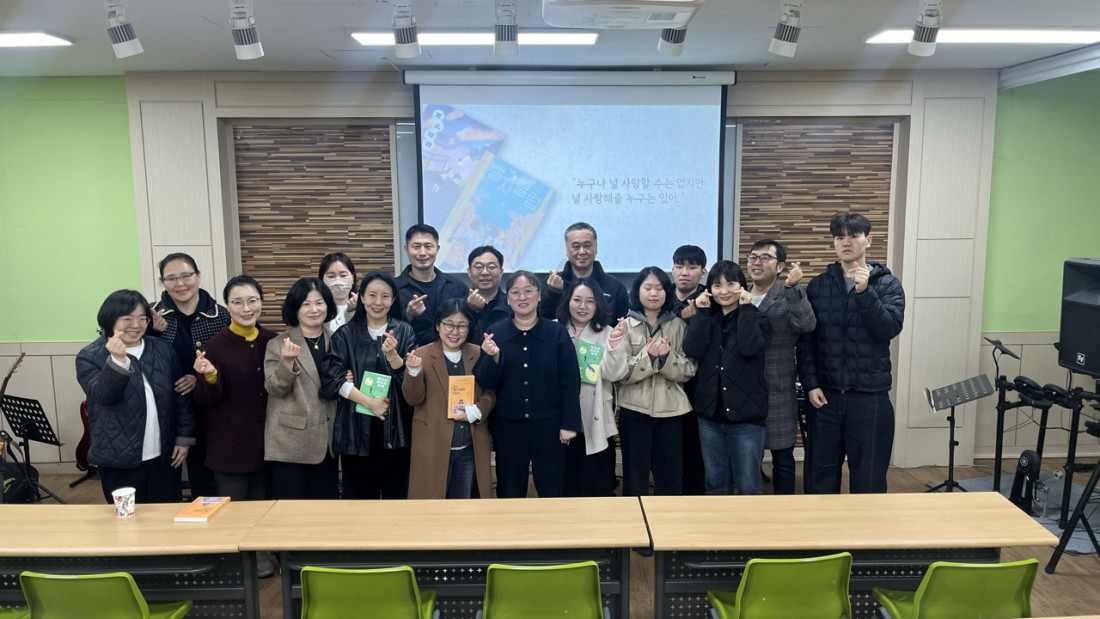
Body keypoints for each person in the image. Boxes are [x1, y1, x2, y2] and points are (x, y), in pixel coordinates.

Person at [802, 212, 905, 494]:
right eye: (839, 237)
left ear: (868, 240)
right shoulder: (818, 286)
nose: (846, 242)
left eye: (853, 236)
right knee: (819, 477)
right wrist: (811, 384)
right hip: (825, 397)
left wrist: (865, 292)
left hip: (870, 397)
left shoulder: (888, 284)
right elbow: (807, 341)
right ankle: (823, 524)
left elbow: (888, 329)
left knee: (869, 478)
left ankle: (866, 524)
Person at [76, 290, 194, 505]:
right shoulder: (90, 356)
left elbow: (180, 397)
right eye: (127, 318)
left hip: (164, 457)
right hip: (118, 461)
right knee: (127, 519)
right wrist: (118, 361)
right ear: (110, 319)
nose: (136, 325)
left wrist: (183, 438)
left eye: (142, 318)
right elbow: (103, 395)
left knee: (165, 516)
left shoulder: (162, 349)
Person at [474, 270, 581, 498]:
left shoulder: (557, 333)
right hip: (508, 426)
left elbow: (571, 381)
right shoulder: (495, 333)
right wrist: (493, 357)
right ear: (508, 299)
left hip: (550, 425)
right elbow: (484, 381)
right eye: (515, 292)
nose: (522, 297)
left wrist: (569, 424)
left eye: (528, 291)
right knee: (510, 489)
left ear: (539, 295)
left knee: (552, 488)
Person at [320, 270, 416, 499]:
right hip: (355, 428)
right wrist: (369, 403)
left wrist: (394, 357)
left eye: (385, 296)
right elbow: (333, 379)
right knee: (359, 502)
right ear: (361, 297)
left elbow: (412, 382)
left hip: (396, 428)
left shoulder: (404, 331)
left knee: (396, 497)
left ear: (393, 300)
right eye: (372, 295)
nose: (378, 302)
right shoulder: (345, 334)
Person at [683, 261, 771, 495]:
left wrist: (746, 310)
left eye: (730, 284)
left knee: (748, 485)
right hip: (710, 417)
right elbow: (692, 350)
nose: (724, 291)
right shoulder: (706, 317)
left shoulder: (757, 317)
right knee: (715, 483)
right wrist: (701, 314)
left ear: (742, 286)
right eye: (717, 285)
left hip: (746, 419)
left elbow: (750, 349)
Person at [148, 252, 230, 498]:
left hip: (210, 409)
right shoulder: (151, 316)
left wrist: (200, 378)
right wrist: (152, 333)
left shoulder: (221, 315)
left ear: (198, 276)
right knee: (164, 480)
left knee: (207, 478)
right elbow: (141, 359)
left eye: (186, 276)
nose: (180, 284)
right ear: (163, 282)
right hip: (166, 408)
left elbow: (232, 362)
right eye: (171, 278)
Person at [192, 275, 277, 502]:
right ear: (227, 306)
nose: (246, 309)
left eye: (253, 300)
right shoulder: (213, 347)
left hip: (269, 447)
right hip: (230, 448)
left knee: (266, 512)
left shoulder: (273, 341)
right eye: (237, 302)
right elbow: (205, 401)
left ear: (261, 302)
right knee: (234, 513)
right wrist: (209, 376)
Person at [615, 267, 697, 497]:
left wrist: (666, 358)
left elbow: (689, 369)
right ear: (637, 291)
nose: (653, 293)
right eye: (648, 288)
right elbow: (620, 372)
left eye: (659, 288)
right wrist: (649, 358)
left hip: (672, 411)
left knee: (670, 476)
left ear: (667, 292)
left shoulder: (678, 326)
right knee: (635, 476)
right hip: (634, 410)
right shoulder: (625, 326)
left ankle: (668, 518)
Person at [403, 298, 496, 499]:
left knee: (464, 507)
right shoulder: (421, 355)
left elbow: (490, 391)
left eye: (462, 326)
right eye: (449, 325)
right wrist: (413, 372)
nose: (455, 332)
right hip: (433, 445)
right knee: (431, 507)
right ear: (438, 325)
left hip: (469, 447)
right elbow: (412, 399)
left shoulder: (478, 353)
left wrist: (477, 410)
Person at [744, 239, 816, 495]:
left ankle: (784, 508)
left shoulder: (787, 295)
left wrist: (793, 288)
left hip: (777, 388)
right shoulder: (739, 295)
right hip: (741, 390)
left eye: (765, 258)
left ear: (780, 266)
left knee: (783, 458)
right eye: (753, 257)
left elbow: (807, 325)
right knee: (745, 457)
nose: (757, 262)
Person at [263, 278, 340, 500]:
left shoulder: (337, 340)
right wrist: (287, 363)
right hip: (289, 444)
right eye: (306, 304)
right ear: (295, 308)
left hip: (328, 443)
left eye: (319, 302)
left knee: (325, 511)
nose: (314, 309)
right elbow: (274, 388)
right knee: (291, 513)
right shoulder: (278, 344)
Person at [555, 279, 629, 497]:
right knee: (564, 484)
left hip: (594, 415)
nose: (583, 306)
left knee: (596, 483)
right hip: (560, 416)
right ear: (567, 301)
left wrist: (615, 343)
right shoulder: (554, 329)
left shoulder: (607, 332)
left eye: (590, 301)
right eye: (577, 300)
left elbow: (615, 374)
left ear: (598, 305)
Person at [670, 244, 708, 495]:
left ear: (703, 272)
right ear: (672, 269)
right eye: (679, 266)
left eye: (692, 267)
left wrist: (697, 318)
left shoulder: (710, 299)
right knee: (670, 448)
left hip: (699, 385)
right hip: (665, 384)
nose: (685, 272)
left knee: (695, 448)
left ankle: (693, 496)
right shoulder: (661, 296)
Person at [396, 224, 468, 346]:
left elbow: (467, 325)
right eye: (416, 247)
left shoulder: (457, 286)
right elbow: (386, 329)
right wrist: (408, 316)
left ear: (437, 249)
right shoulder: (394, 288)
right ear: (406, 249)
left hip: (452, 354)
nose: (422, 253)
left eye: (428, 246)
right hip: (410, 355)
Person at [540, 222, 629, 321]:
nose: (582, 252)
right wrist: (553, 293)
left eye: (587, 246)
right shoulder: (551, 284)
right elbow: (541, 320)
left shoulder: (615, 286)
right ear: (567, 250)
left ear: (596, 248)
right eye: (576, 246)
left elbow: (621, 323)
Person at [466, 245, 511, 345]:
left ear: (501, 272)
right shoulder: (458, 306)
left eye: (491, 267)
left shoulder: (512, 305)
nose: (485, 272)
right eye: (478, 267)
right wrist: (472, 311)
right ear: (469, 272)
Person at [318, 252, 358, 332]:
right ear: (322, 280)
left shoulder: (364, 306)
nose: (338, 281)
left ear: (352, 278)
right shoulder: (317, 310)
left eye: (343, 275)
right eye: (331, 276)